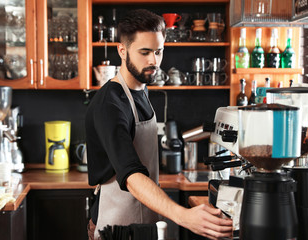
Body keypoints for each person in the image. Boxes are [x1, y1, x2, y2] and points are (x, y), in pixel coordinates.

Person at [85, 9, 232, 240]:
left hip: (143, 222)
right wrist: (183, 216)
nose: (154, 61)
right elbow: (130, 174)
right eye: (144, 52)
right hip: (118, 228)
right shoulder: (110, 104)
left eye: (159, 51)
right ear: (122, 51)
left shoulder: (140, 90)